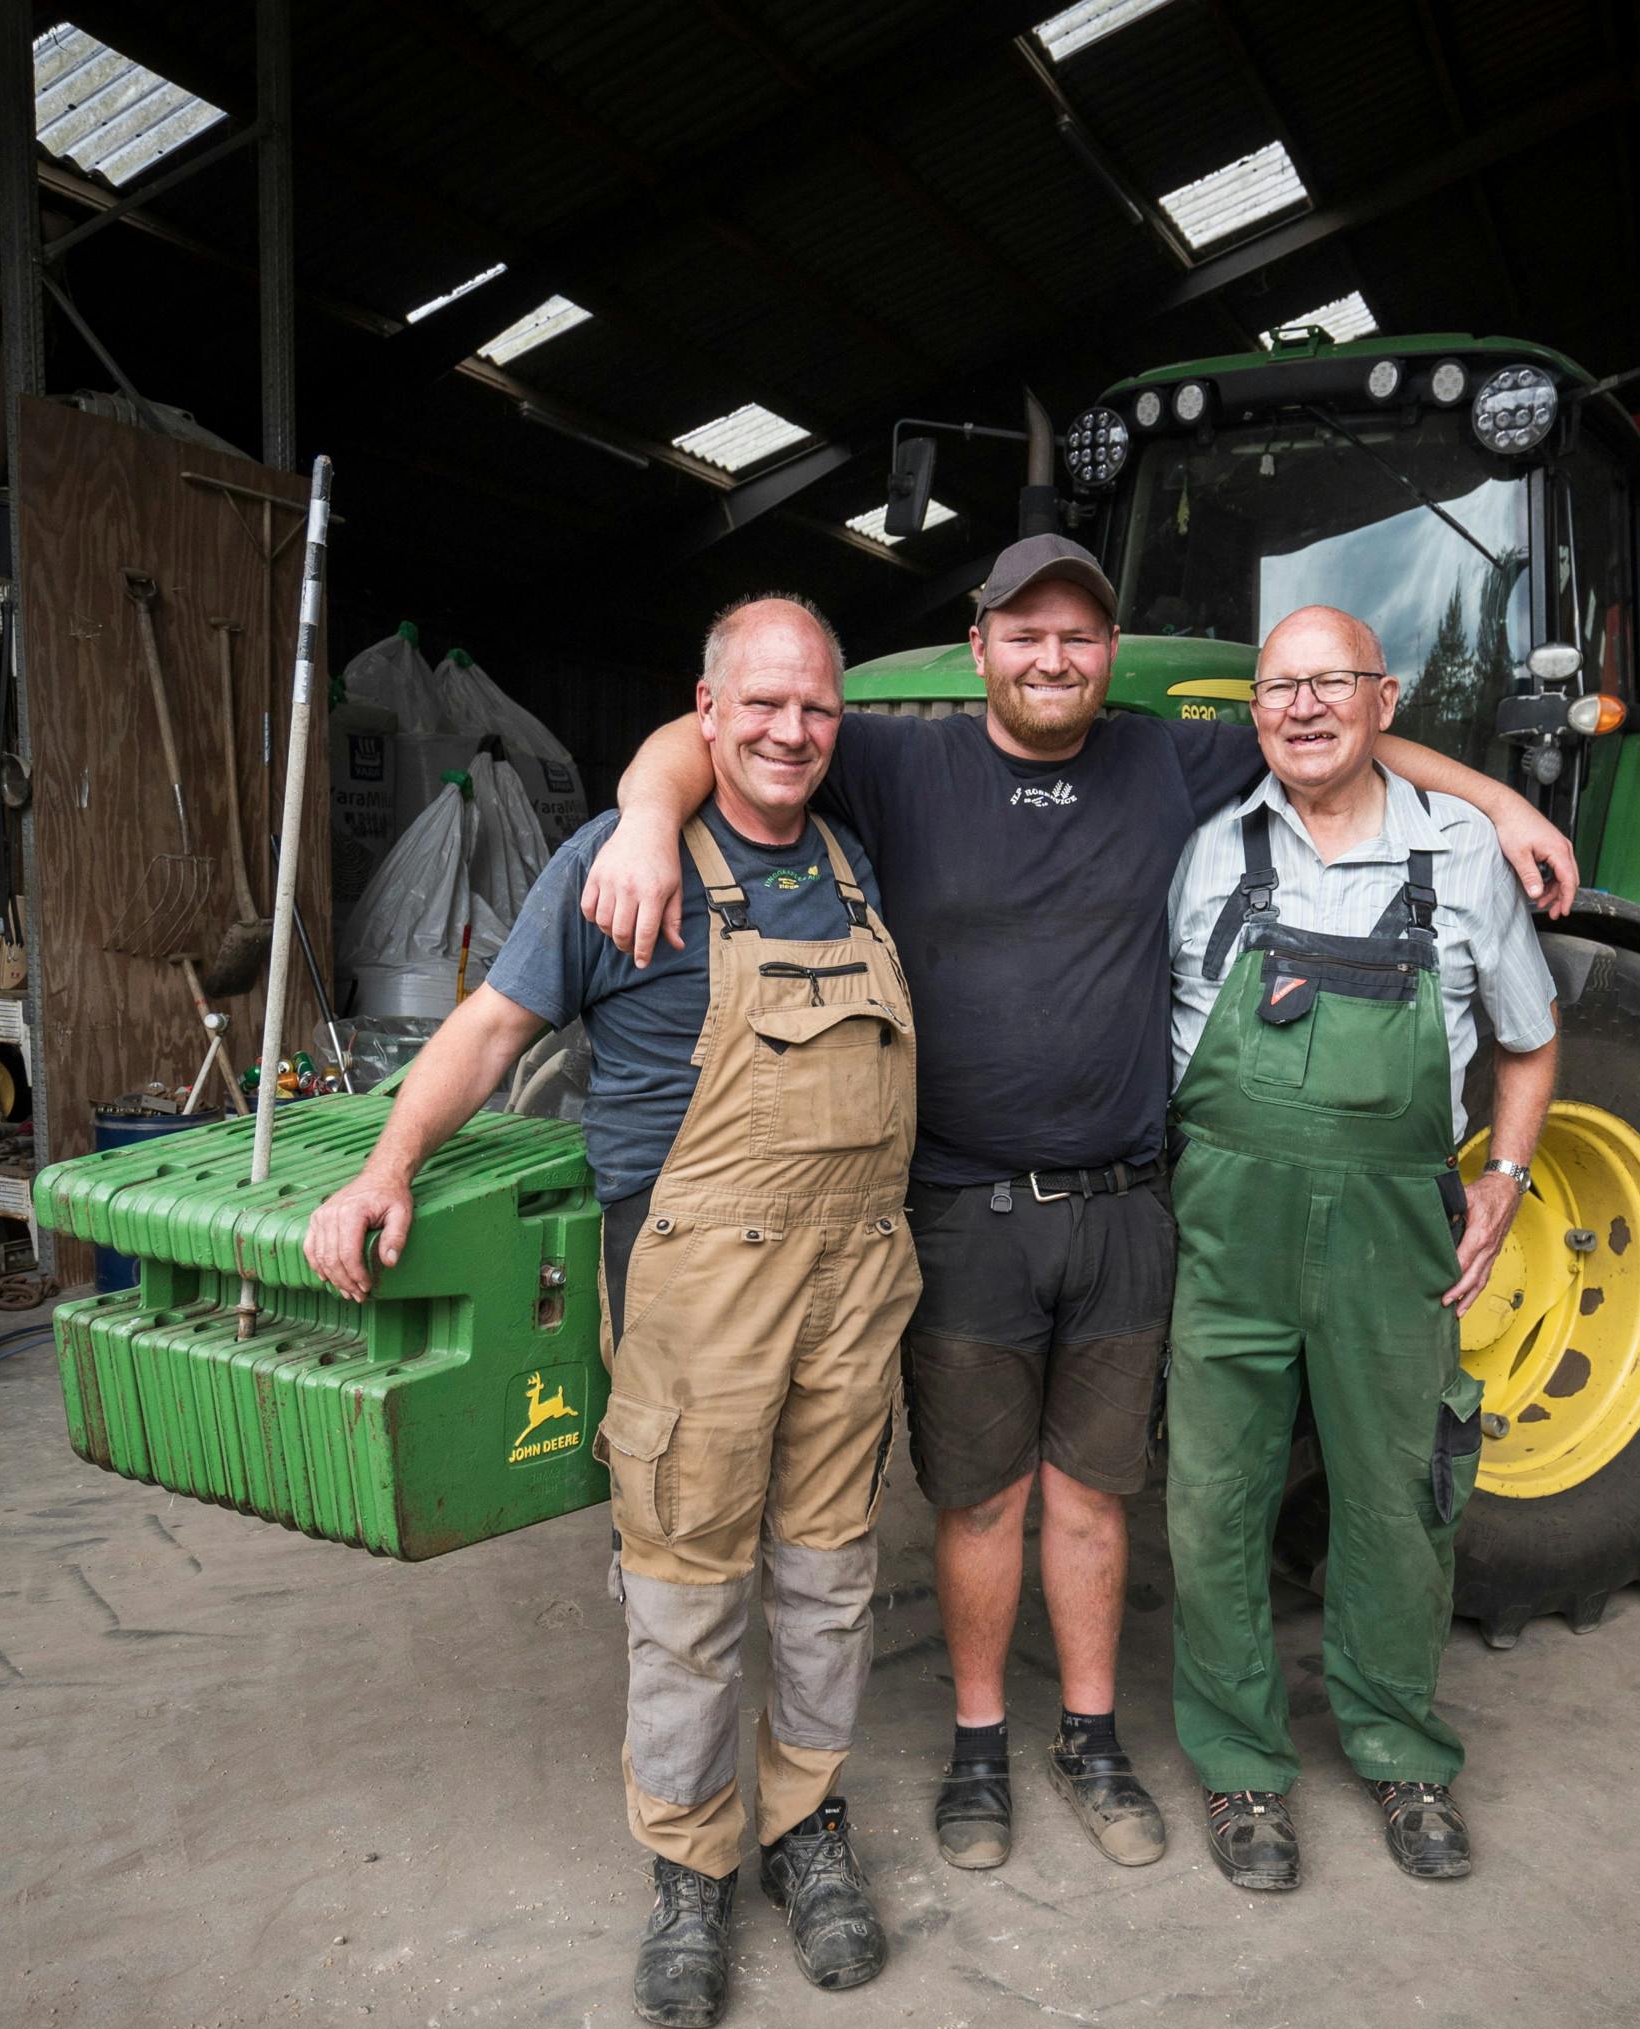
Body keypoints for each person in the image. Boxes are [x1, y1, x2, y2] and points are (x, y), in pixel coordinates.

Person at [576, 535, 1577, 1877]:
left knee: (1112, 1493)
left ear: (1111, 655)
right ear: (981, 644)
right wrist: (645, 816)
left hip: (1126, 1207)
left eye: (1080, 636)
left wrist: (1501, 804)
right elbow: (726, 730)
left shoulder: (1170, 757)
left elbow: (1345, 744)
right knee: (987, 1498)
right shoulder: (899, 753)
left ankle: (1096, 1739)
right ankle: (987, 1743)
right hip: (960, 1207)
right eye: (1025, 633)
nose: (1053, 658)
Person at [303, 595, 915, 2029]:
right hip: (696, 1286)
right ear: (704, 714)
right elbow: (490, 1028)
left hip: (852, 1288)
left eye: (815, 708)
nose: (789, 731)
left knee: (828, 1577)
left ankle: (805, 1825)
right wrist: (386, 1169)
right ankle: (691, 1862)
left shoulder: (849, 860)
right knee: (686, 1589)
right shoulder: (619, 863)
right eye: (758, 705)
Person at [1162, 604, 1560, 1893]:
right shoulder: (1210, 849)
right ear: (1254, 708)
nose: (1305, 707)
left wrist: (1504, 1172)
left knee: (1398, 1503)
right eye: (1280, 686)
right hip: (1227, 1228)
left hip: (1395, 1236)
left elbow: (1529, 1036)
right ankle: (1239, 1772)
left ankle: (1401, 1751)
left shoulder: (1462, 855)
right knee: (1213, 1504)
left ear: (1385, 701)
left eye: (1334, 682)